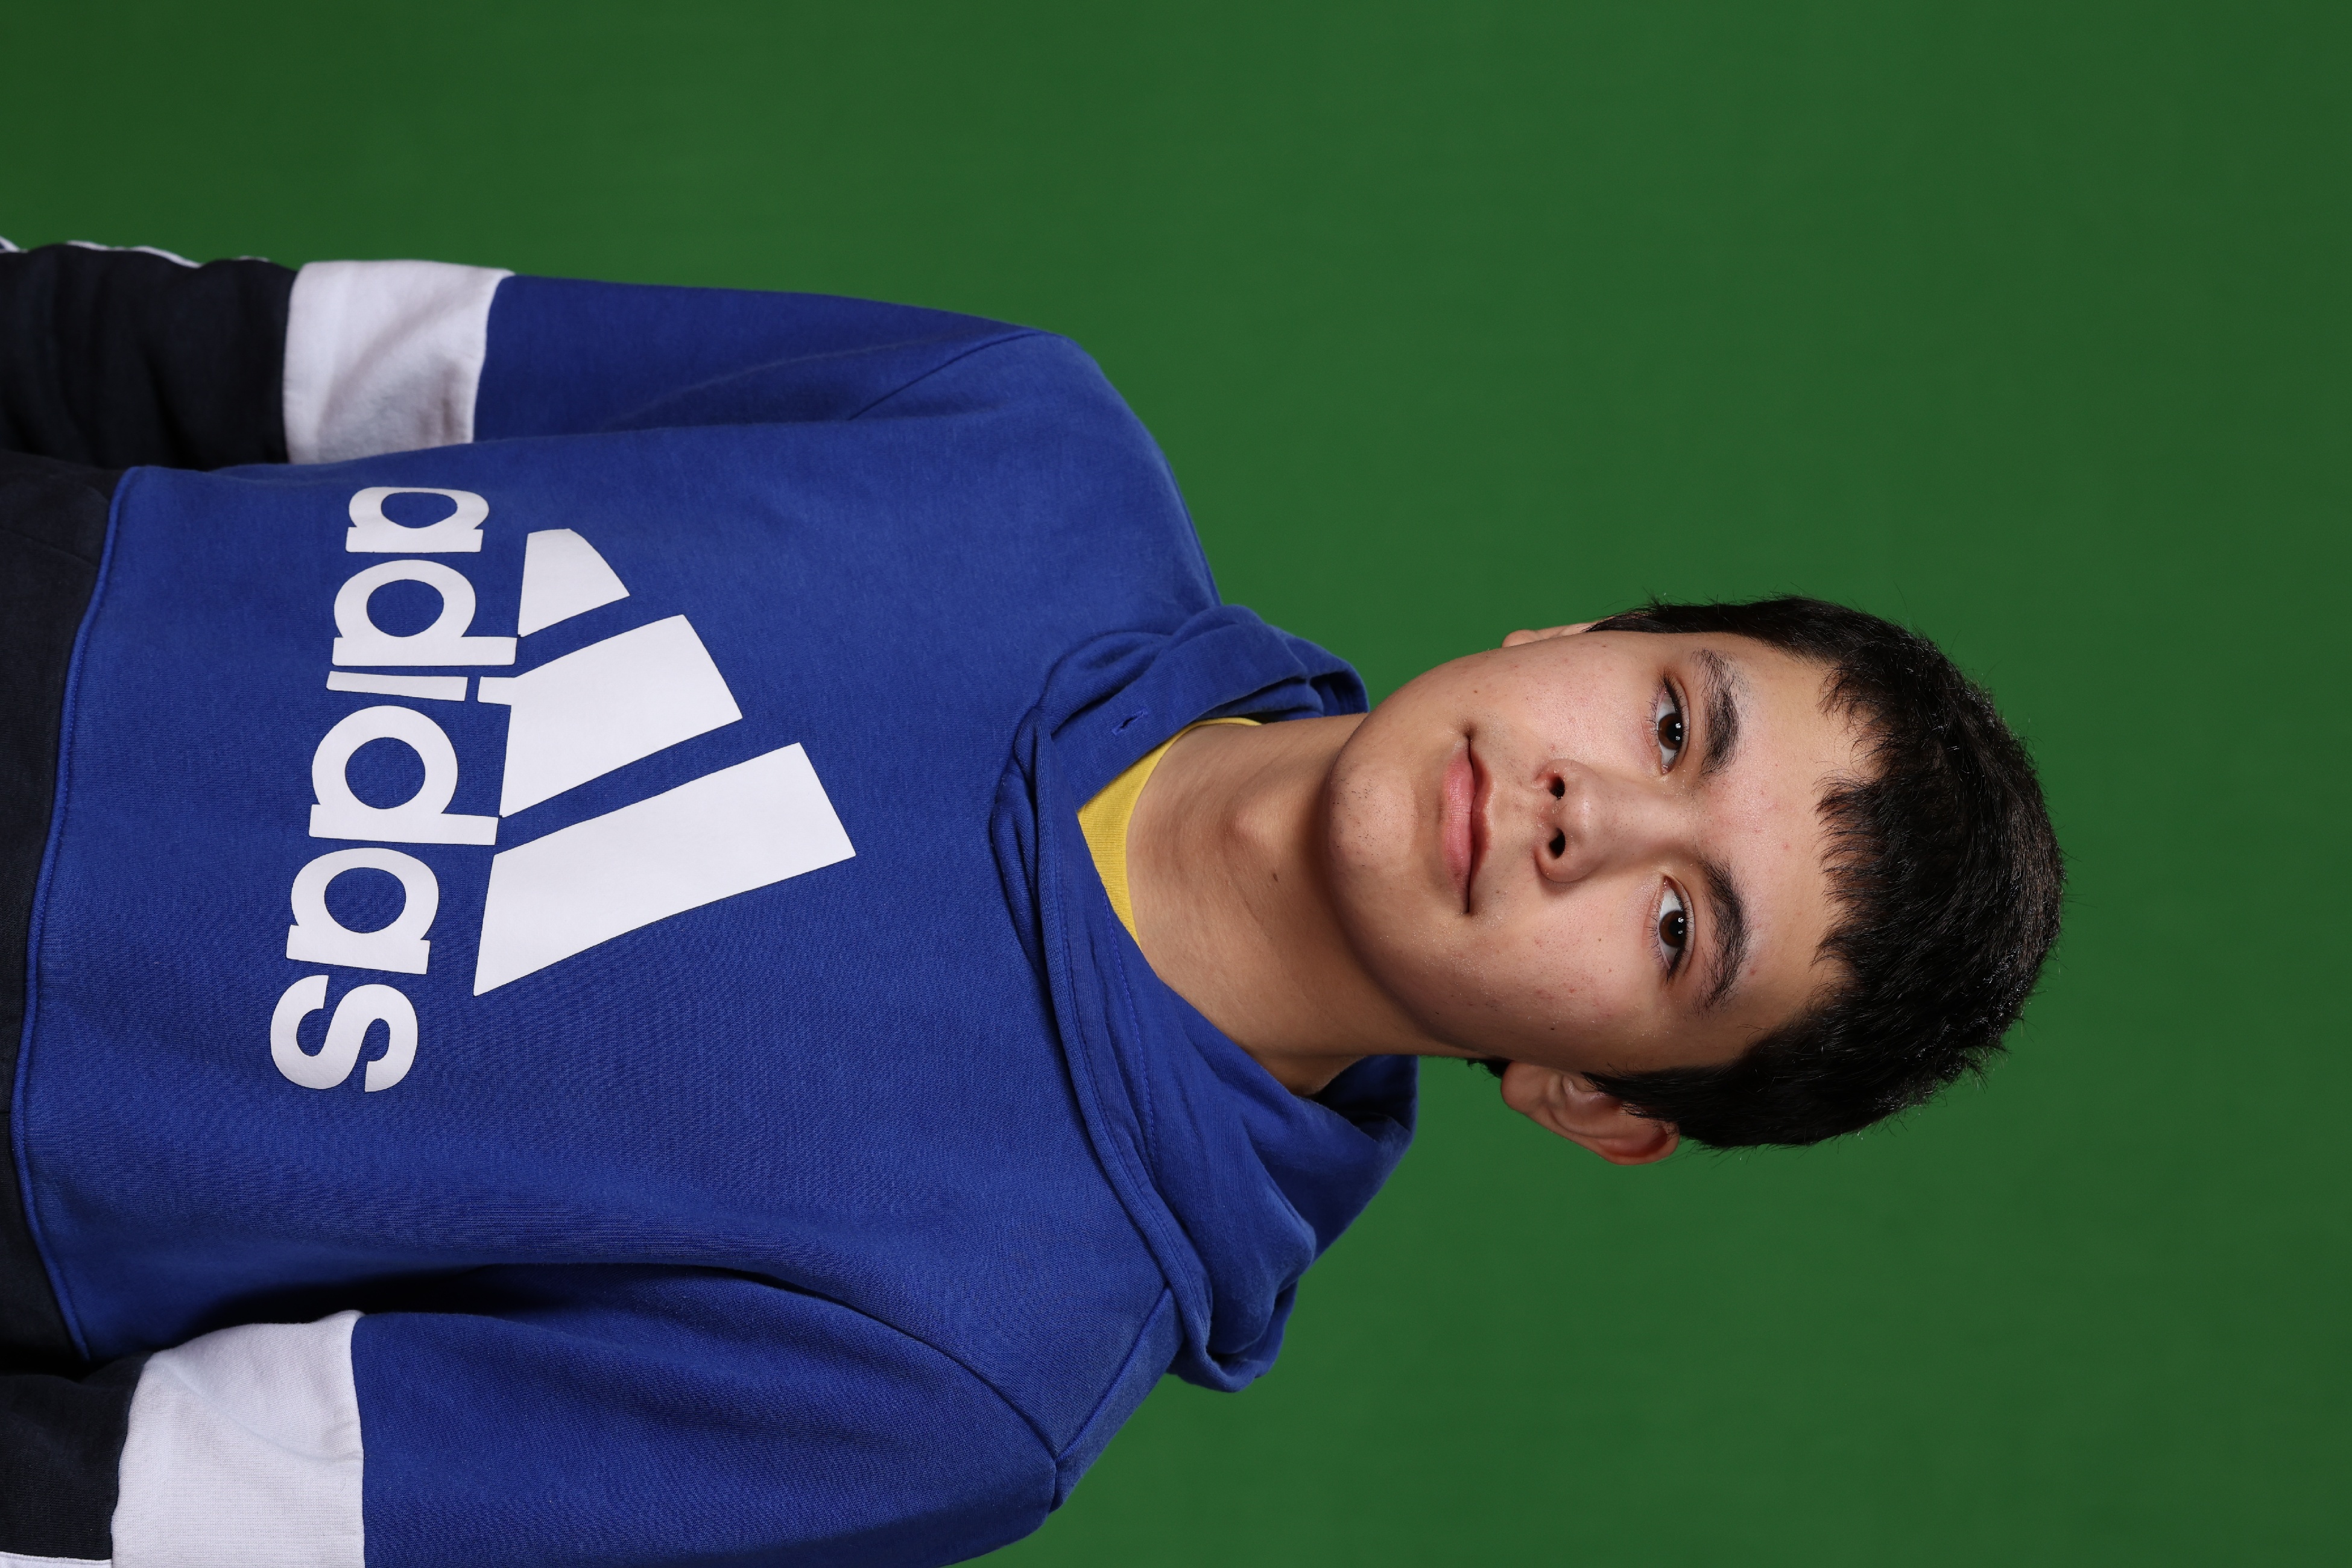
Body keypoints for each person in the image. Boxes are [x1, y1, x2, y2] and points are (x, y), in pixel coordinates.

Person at [0, 239, 2063, 1567]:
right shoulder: (1015, 442)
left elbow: (166, 1509)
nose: (1582, 813)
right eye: (1672, 720)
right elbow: (239, 359)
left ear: (1592, 1101)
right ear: (1581, 634)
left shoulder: (972, 1367)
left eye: (1679, 931)